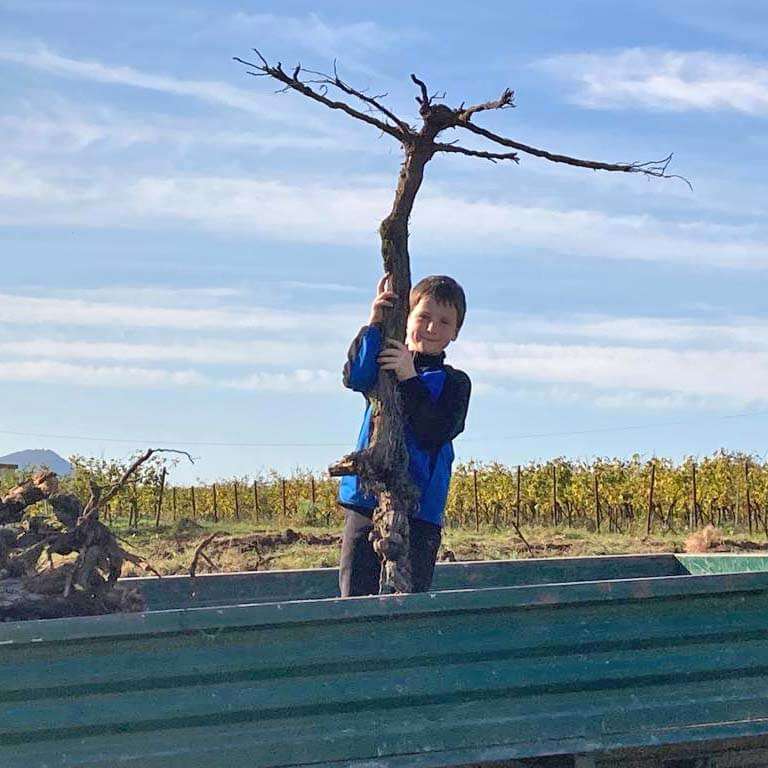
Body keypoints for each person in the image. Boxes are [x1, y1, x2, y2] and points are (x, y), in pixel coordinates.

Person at [338, 273, 471, 597]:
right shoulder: (384, 366)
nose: (431, 328)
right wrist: (374, 323)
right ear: (407, 318)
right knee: (355, 596)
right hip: (367, 501)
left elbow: (433, 431)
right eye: (423, 316)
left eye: (444, 321)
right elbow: (354, 376)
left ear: (455, 332)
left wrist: (410, 378)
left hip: (419, 510)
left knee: (410, 599)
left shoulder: (455, 383)